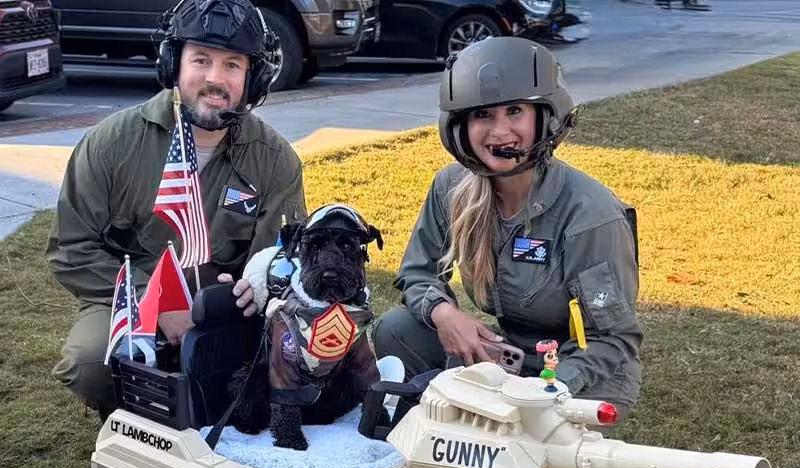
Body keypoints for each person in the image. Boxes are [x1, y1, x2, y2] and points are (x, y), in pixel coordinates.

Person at [45, 0, 307, 422]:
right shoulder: (110, 144)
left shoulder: (276, 161)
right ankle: (133, 419)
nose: (214, 78)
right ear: (174, 64)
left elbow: (281, 259)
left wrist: (254, 288)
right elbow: (71, 249)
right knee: (90, 361)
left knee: (288, 354)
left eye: (232, 65)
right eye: (200, 60)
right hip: (131, 301)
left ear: (253, 78)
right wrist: (154, 302)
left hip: (227, 314)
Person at [372, 37, 642, 427]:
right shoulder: (451, 187)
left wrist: (544, 391)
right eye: (483, 115)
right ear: (461, 126)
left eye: (515, 111)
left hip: (578, 368)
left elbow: (612, 339)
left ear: (544, 117)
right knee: (397, 329)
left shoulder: (589, 213)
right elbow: (417, 274)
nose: (500, 132)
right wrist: (444, 313)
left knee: (528, 438)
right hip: (505, 353)